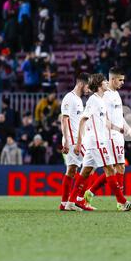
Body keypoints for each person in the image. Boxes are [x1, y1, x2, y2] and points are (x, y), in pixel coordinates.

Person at [66, 73, 131, 212]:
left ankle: (71, 201)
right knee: (110, 169)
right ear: (100, 85)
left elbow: (103, 122)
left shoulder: (100, 100)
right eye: (105, 82)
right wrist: (78, 143)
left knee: (86, 172)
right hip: (96, 142)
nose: (107, 83)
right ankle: (123, 202)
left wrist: (122, 130)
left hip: (95, 141)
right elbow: (83, 119)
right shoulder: (93, 100)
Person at [59, 72, 90, 210]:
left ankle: (65, 203)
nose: (89, 90)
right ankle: (77, 199)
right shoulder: (69, 98)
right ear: (82, 84)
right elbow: (64, 120)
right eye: (88, 86)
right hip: (72, 139)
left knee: (71, 170)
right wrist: (66, 140)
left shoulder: (78, 100)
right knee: (91, 164)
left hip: (76, 139)